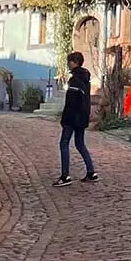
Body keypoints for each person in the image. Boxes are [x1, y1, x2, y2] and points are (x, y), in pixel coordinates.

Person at [53, 51, 98, 187]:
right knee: (80, 143)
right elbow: (86, 99)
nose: (68, 64)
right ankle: (91, 172)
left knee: (64, 143)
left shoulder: (75, 80)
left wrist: (64, 119)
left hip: (72, 117)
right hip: (82, 116)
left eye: (69, 61)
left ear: (74, 62)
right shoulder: (85, 78)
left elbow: (71, 102)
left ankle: (65, 175)